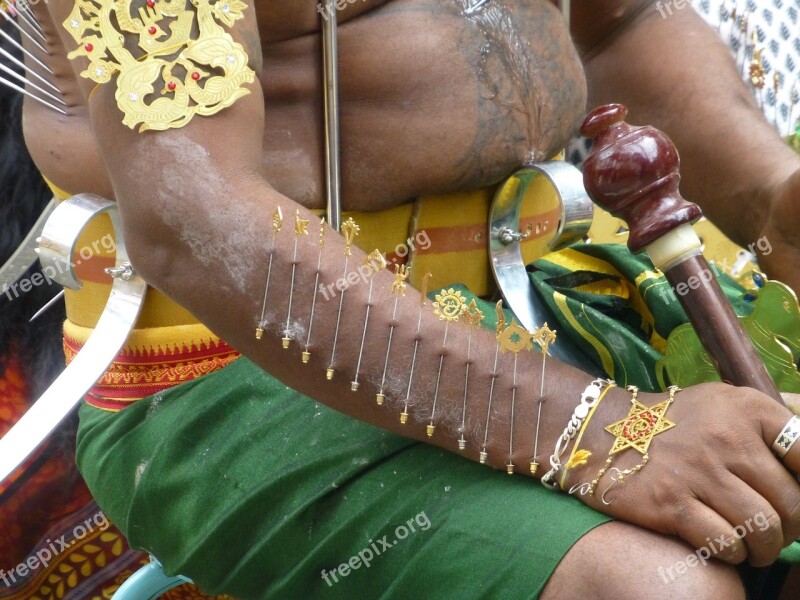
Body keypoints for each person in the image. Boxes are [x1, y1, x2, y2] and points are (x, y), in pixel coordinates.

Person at [12, 0, 800, 598]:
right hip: (240, 374)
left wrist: (772, 202)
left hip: (554, 298)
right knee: (657, 586)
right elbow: (196, 220)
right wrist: (603, 433)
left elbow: (618, 25)